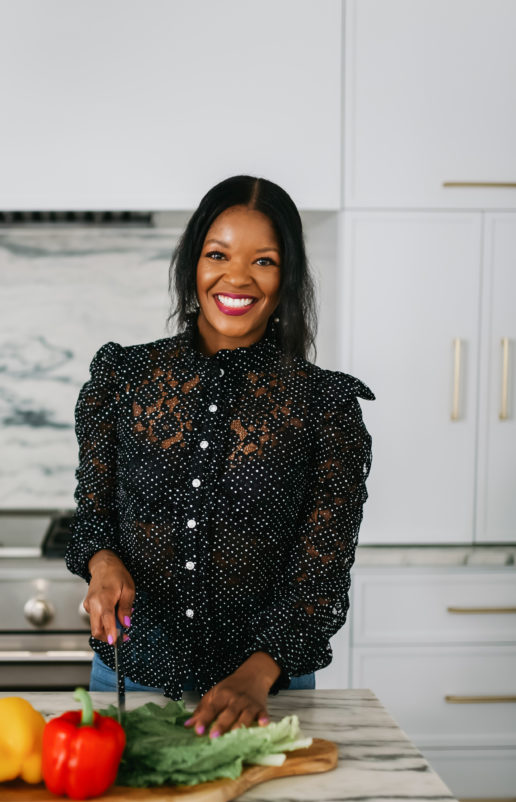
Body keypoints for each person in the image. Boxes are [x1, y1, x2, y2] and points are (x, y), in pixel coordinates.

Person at [65, 175, 374, 737]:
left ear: (287, 278)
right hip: (131, 677)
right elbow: (93, 512)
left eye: (264, 260)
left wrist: (257, 674)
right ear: (193, 266)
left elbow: (321, 571)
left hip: (265, 687)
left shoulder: (326, 406)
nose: (237, 277)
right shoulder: (122, 378)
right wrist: (103, 561)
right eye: (218, 254)